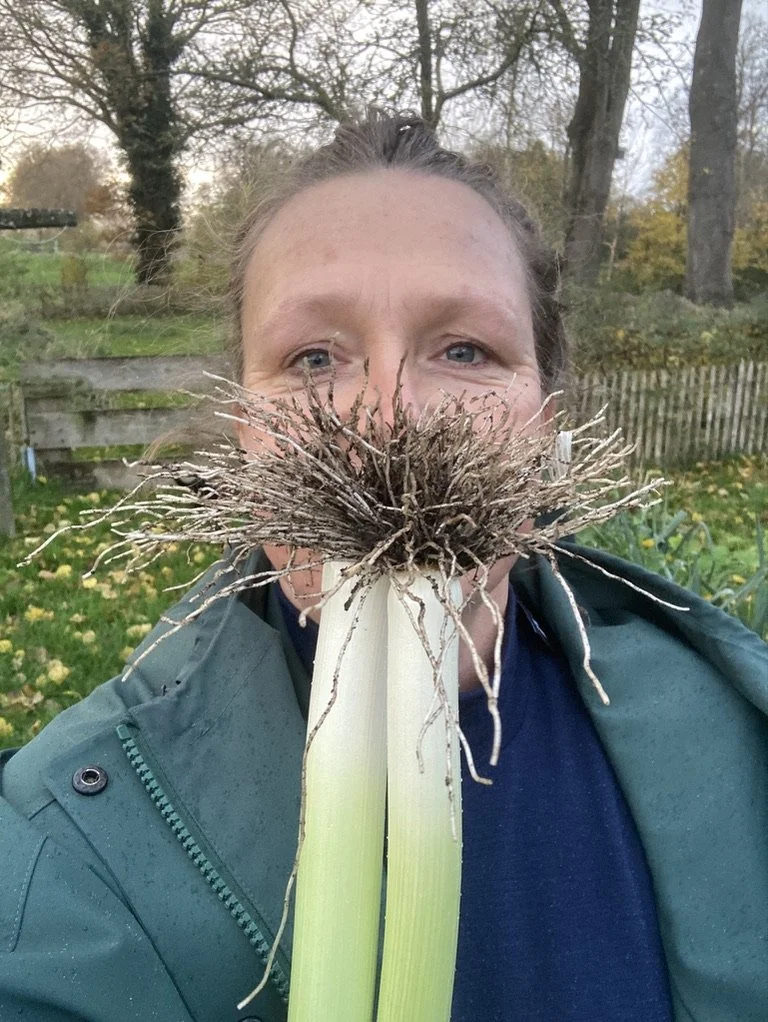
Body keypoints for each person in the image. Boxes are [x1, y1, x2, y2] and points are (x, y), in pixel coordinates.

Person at [1, 112, 766, 1022]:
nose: (391, 419)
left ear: (548, 433)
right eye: (312, 358)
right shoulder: (61, 838)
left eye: (466, 351)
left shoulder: (738, 738)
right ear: (244, 436)